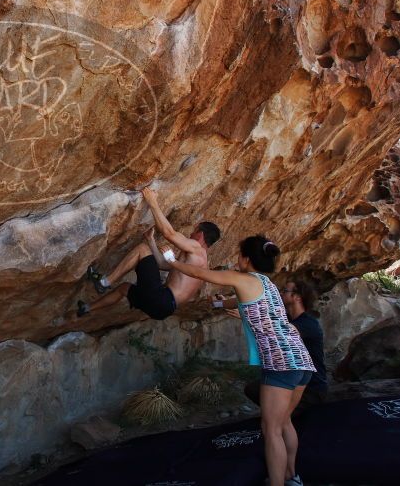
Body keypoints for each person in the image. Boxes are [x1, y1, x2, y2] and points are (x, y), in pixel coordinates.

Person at [166, 235, 316, 486]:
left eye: (239, 255)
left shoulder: (241, 278)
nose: (237, 259)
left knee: (271, 431)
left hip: (280, 363)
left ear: (246, 258)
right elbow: (262, 313)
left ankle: (278, 483)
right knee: (285, 422)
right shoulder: (267, 284)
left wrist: (171, 262)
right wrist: (230, 308)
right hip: (301, 360)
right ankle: (292, 477)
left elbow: (203, 274)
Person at [77, 187, 220, 320]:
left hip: (161, 298)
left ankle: (104, 282)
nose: (190, 233)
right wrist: (151, 241)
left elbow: (169, 233)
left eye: (194, 231)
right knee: (124, 289)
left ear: (200, 235)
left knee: (142, 250)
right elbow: (163, 265)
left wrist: (152, 202)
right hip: (163, 310)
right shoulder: (201, 264)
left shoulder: (196, 248)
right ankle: (87, 308)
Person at [239, 279, 328, 413]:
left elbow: (281, 330)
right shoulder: (286, 318)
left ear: (297, 297)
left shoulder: (309, 323)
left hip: (311, 389)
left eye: (285, 291)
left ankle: (286, 417)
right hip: (293, 379)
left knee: (271, 408)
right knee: (253, 389)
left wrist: (249, 316)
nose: (280, 294)